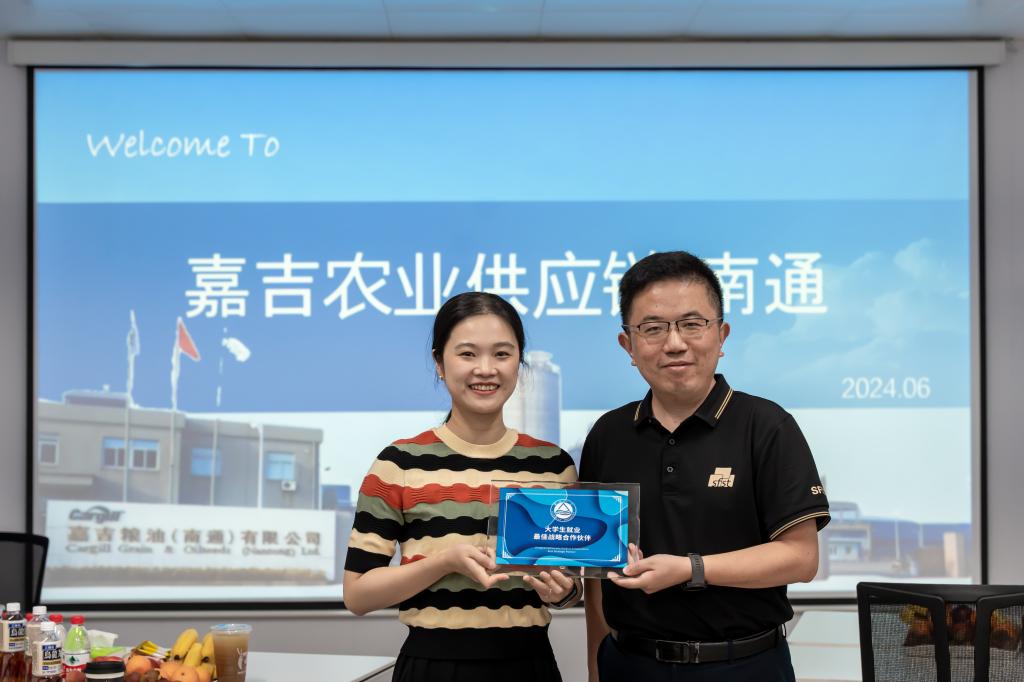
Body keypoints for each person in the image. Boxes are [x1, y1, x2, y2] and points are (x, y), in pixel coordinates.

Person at [580, 251, 831, 682]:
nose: (674, 343)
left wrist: (690, 569)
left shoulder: (766, 426)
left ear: (721, 334)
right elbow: (597, 572)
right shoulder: (608, 434)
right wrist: (595, 664)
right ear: (628, 345)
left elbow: (801, 558)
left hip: (745, 665)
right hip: (629, 664)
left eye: (692, 324)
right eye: (653, 328)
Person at [344, 291, 582, 682]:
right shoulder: (399, 464)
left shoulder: (553, 465)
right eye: (468, 354)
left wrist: (564, 593)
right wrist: (444, 563)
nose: (485, 369)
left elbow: (572, 583)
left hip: (530, 665)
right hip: (433, 667)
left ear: (519, 363)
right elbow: (357, 595)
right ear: (440, 363)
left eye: (502, 354)